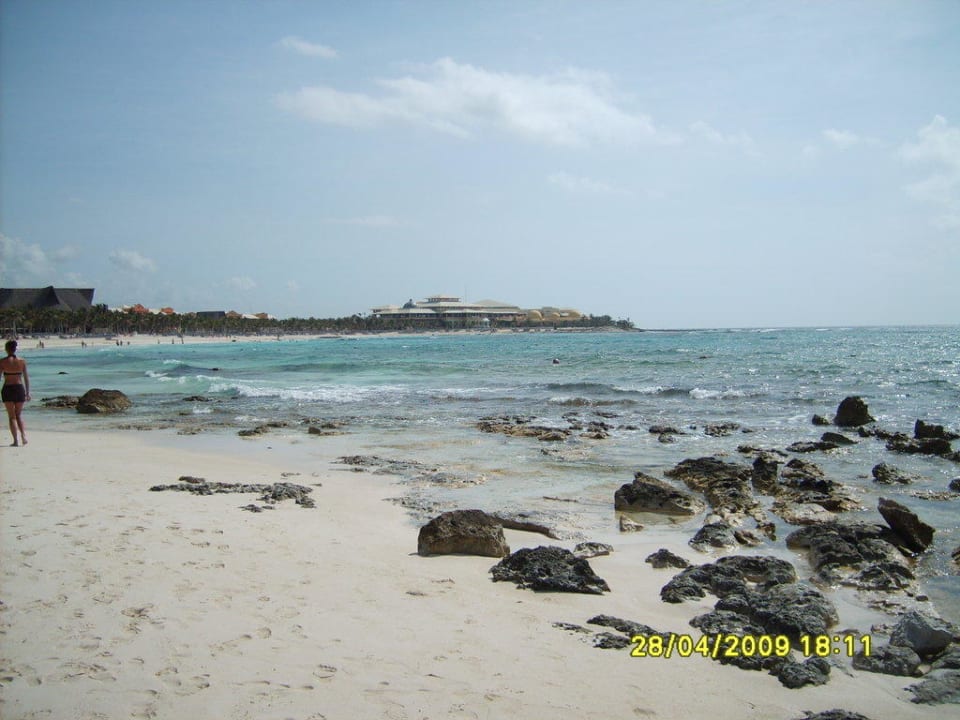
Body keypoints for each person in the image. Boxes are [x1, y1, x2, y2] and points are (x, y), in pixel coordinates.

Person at [1, 339, 30, 446]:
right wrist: (27, 393)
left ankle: (15, 441)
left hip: (8, 389)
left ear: (6, 349)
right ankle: (23, 436)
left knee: (11, 416)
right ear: (15, 349)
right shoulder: (22, 361)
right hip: (19, 388)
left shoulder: (2, 361)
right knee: (18, 415)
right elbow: (26, 378)